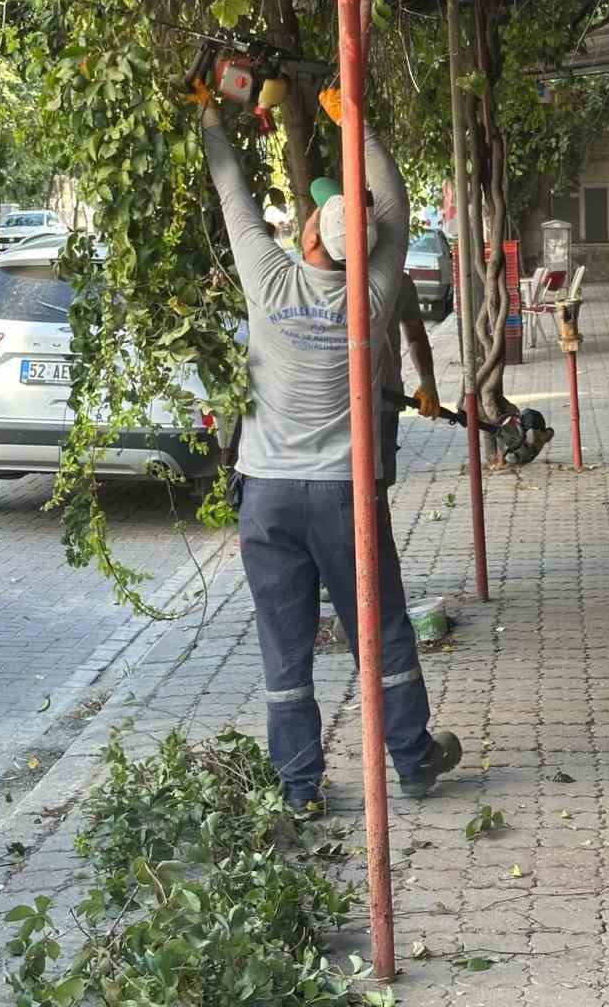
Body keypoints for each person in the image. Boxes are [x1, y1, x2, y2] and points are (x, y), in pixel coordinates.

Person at [191, 77, 460, 811]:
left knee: (287, 649)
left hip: (268, 497)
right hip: (345, 496)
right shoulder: (371, 296)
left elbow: (232, 197)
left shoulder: (270, 282)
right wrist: (359, 123)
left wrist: (212, 115)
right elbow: (396, 208)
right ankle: (411, 758)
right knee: (380, 629)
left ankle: (300, 786)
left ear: (310, 237)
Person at [380, 270, 439, 492]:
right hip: (332, 404)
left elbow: (415, 334)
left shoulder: (399, 281)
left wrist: (428, 381)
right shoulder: (315, 278)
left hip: (384, 401)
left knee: (377, 490)